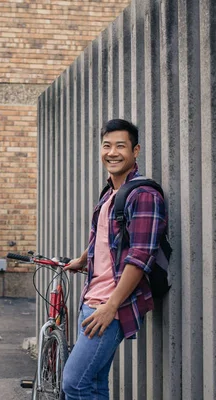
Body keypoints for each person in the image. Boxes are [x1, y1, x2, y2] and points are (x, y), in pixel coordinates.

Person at [62, 119, 168, 399]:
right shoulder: (110, 193)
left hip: (111, 305)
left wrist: (111, 307)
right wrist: (83, 259)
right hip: (93, 300)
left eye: (121, 146)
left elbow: (140, 257)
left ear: (136, 151)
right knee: (95, 383)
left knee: (73, 383)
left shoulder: (144, 195)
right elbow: (108, 238)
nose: (112, 152)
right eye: (107, 146)